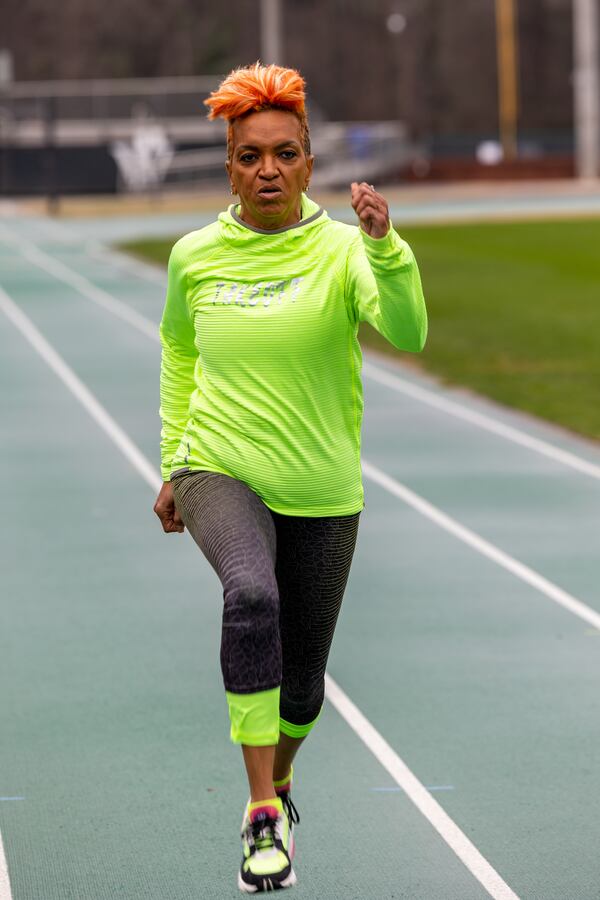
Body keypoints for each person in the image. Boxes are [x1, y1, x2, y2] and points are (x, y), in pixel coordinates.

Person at [153, 61, 427, 894]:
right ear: (228, 164)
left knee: (303, 685)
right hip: (219, 465)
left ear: (310, 162)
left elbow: (409, 334)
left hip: (320, 484)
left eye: (282, 153)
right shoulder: (194, 256)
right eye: (247, 156)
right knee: (252, 596)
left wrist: (388, 246)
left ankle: (281, 774)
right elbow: (178, 353)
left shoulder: (347, 252)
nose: (265, 169)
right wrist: (174, 461)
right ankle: (261, 811)